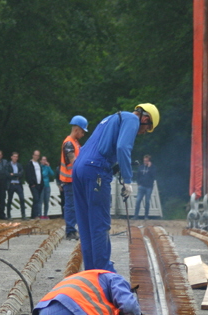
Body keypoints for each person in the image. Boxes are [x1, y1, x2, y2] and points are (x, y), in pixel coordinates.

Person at [72, 103, 160, 271]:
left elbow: (104, 147)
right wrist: (128, 179)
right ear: (145, 118)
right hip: (95, 170)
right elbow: (122, 147)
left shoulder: (111, 118)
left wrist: (115, 167)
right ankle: (104, 272)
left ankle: (90, 271)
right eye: (147, 129)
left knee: (85, 223)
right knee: (100, 223)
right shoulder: (132, 119)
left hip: (79, 169)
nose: (143, 133)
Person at [60, 115, 88, 240]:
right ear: (77, 130)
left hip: (74, 180)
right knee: (71, 207)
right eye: (82, 131)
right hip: (69, 181)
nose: (83, 134)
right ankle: (70, 231)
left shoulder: (75, 143)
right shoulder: (69, 144)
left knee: (75, 206)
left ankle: (73, 230)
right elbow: (75, 163)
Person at [134, 155, 157, 220]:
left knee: (147, 201)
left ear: (149, 161)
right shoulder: (141, 167)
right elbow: (137, 175)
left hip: (149, 187)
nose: (145, 162)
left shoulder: (153, 168)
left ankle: (146, 216)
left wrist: (149, 168)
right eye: (144, 161)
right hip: (141, 186)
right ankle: (136, 216)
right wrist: (138, 184)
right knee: (138, 200)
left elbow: (153, 175)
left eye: (146, 161)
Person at [6, 152, 26, 219]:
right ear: (11, 157)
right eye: (14, 156)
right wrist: (16, 175)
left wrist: (13, 175)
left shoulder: (19, 165)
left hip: (18, 184)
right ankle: (8, 215)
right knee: (10, 200)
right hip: (11, 184)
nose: (15, 158)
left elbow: (21, 174)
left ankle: (23, 215)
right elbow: (7, 175)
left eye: (16, 157)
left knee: (22, 198)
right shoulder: (8, 165)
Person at [25, 150, 44, 219]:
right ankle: (34, 215)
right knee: (36, 198)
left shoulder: (39, 164)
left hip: (39, 184)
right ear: (33, 155)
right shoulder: (29, 164)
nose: (37, 157)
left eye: (38, 155)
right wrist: (31, 183)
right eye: (35, 155)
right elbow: (28, 174)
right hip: (33, 185)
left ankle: (36, 214)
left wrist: (42, 183)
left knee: (38, 199)